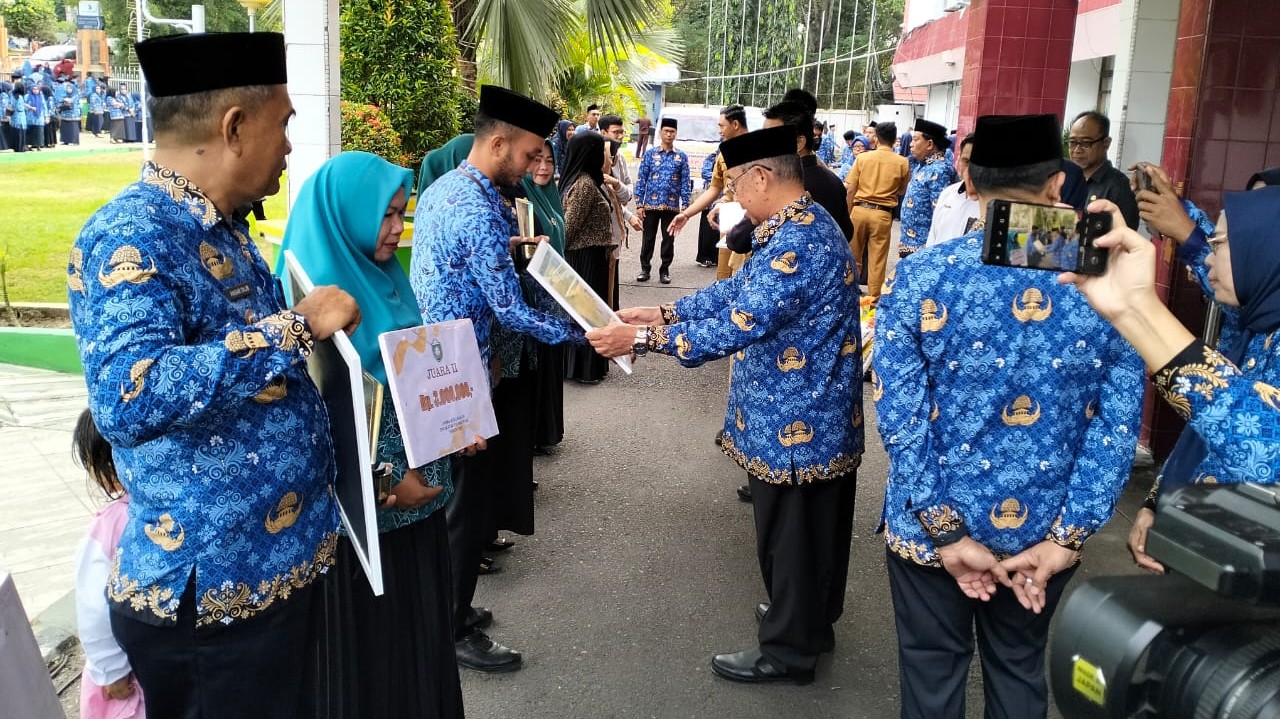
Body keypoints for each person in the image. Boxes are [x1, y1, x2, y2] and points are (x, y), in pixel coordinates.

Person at [67, 32, 361, 718]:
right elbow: (130, 394)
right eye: (282, 124)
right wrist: (294, 327)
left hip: (272, 575)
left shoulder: (220, 228)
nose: (288, 146)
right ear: (234, 127)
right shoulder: (130, 235)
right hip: (213, 601)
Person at [874, 113, 1145, 719]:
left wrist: (946, 532)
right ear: (1057, 184)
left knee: (931, 675)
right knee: (1020, 671)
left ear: (970, 180)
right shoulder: (1102, 282)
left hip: (931, 531)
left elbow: (901, 415)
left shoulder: (921, 275)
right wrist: (1069, 536)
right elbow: (1117, 426)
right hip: (1041, 534)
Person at [586, 125, 864, 685]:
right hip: (807, 414)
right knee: (811, 537)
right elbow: (739, 292)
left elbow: (741, 322)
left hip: (797, 422)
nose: (733, 195)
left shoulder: (798, 241)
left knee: (791, 537)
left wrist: (640, 340)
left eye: (735, 184)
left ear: (761, 177)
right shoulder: (800, 225)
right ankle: (806, 619)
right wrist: (665, 313)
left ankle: (790, 650)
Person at [278, 151, 466, 718]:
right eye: (385, 214)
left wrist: (459, 422)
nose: (396, 228)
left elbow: (422, 382)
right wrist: (387, 487)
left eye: (401, 213)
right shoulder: (308, 310)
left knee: (418, 652)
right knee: (374, 665)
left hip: (420, 516)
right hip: (360, 538)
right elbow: (320, 424)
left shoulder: (389, 283)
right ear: (347, 213)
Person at [410, 85, 582, 673]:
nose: (535, 166)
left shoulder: (450, 188)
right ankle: (452, 627)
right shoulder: (477, 207)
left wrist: (511, 246)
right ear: (499, 142)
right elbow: (510, 310)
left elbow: (462, 262)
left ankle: (450, 605)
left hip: (449, 362)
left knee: (462, 500)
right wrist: (585, 332)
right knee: (465, 507)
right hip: (462, 373)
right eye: (530, 154)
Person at [1076, 165, 1280, 573]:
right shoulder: (1256, 328)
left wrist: (1139, 307)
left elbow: (1264, 449)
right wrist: (1160, 500)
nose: (1208, 258)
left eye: (1220, 242)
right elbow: (1204, 433)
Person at [72, 410, 145, 719]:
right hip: (143, 666)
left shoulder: (110, 525)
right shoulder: (163, 511)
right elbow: (95, 608)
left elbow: (93, 609)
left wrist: (111, 669)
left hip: (133, 671)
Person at [667, 104, 751, 280]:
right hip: (729, 219)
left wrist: (728, 203)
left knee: (744, 275)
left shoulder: (760, 151)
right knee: (724, 275)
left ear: (735, 124)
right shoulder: (723, 154)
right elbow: (714, 189)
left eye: (722, 126)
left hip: (752, 220)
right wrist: (686, 214)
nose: (719, 130)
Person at [562, 131, 618, 382]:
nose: (606, 157)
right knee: (586, 314)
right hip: (584, 258)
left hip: (591, 256)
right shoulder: (584, 184)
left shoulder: (588, 181)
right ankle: (583, 369)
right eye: (601, 152)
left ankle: (588, 366)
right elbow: (569, 228)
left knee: (590, 313)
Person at [525, 138, 569, 451]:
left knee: (551, 364)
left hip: (556, 295)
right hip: (535, 301)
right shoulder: (522, 198)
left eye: (549, 161)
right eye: (536, 160)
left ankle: (547, 433)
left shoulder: (550, 196)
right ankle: (536, 433)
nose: (543, 167)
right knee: (537, 368)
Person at [844, 121, 910, 304]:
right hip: (882, 214)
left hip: (859, 210)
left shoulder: (862, 158)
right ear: (894, 139)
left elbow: (851, 189)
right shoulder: (902, 162)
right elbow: (902, 191)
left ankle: (849, 297)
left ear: (876, 138)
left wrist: (847, 214)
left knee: (853, 256)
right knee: (877, 260)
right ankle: (872, 303)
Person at [634, 117, 691, 284]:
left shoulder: (681, 157)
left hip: (671, 206)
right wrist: (639, 204)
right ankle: (645, 269)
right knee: (648, 238)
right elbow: (641, 179)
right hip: (650, 205)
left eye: (672, 132)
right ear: (660, 133)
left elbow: (685, 182)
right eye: (666, 131)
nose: (669, 134)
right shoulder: (650, 154)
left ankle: (664, 270)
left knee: (668, 240)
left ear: (676, 134)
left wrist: (685, 207)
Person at [1069, 110, 1139, 229]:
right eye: (1072, 142)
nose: (1077, 150)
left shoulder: (1120, 188)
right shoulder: (1067, 180)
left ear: (1106, 143)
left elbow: (1124, 236)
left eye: (1085, 143)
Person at [899, 118, 957, 258]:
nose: (911, 144)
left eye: (915, 140)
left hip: (924, 248)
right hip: (910, 243)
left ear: (930, 144)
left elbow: (941, 214)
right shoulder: (922, 166)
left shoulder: (939, 170)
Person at [924, 133, 980, 248]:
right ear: (959, 161)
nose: (970, 169)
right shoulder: (948, 194)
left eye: (977, 163)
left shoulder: (992, 205)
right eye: (966, 161)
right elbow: (932, 238)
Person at [695, 148, 721, 267]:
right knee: (707, 231)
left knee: (719, 231)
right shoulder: (712, 157)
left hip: (723, 200)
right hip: (709, 201)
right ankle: (705, 257)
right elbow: (704, 173)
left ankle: (717, 257)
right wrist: (720, 177)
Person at [56, 76, 80, 145]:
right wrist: (64, 99)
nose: (68, 89)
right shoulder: (65, 94)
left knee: (73, 128)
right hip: (65, 114)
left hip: (73, 114)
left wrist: (65, 99)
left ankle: (74, 141)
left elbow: (71, 101)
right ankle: (65, 141)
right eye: (67, 88)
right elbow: (60, 100)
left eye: (70, 88)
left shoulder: (76, 95)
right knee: (64, 128)